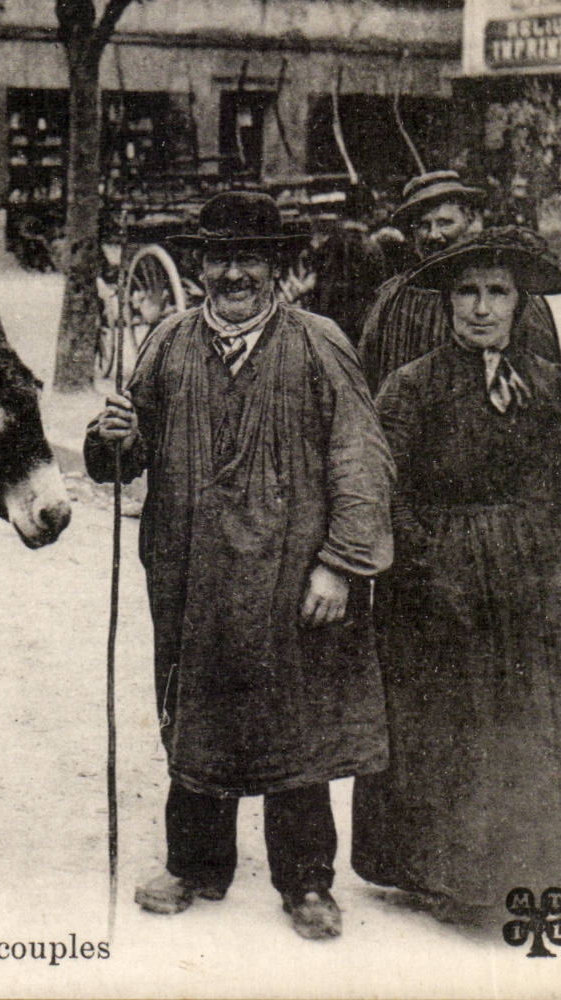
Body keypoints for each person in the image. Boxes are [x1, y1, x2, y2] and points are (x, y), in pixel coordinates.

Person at [84, 191, 395, 941]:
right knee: (197, 709)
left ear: (277, 267)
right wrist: (110, 434)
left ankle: (307, 881)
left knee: (298, 718)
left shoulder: (318, 343)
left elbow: (362, 459)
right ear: (198, 267)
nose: (233, 273)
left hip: (294, 577)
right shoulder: (167, 343)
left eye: (249, 257)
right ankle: (196, 863)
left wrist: (340, 566)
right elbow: (120, 457)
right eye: (219, 257)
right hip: (193, 576)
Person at [351, 226, 561, 924]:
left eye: (498, 293)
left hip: (527, 581)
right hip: (437, 585)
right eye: (468, 292)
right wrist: (432, 567)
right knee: (444, 724)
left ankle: (535, 864)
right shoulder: (413, 385)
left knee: (525, 722)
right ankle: (439, 873)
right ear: (446, 302)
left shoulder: (545, 385)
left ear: (521, 304)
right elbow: (383, 487)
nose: (482, 308)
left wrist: (548, 558)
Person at [356, 170, 561, 391]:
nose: (434, 235)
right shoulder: (392, 297)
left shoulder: (510, 291)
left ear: (471, 222)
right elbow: (366, 374)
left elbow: (545, 380)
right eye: (424, 225)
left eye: (445, 223)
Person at [305, 183, 387, 344]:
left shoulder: (328, 244)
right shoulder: (372, 248)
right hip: (360, 330)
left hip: (327, 327)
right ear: (368, 213)